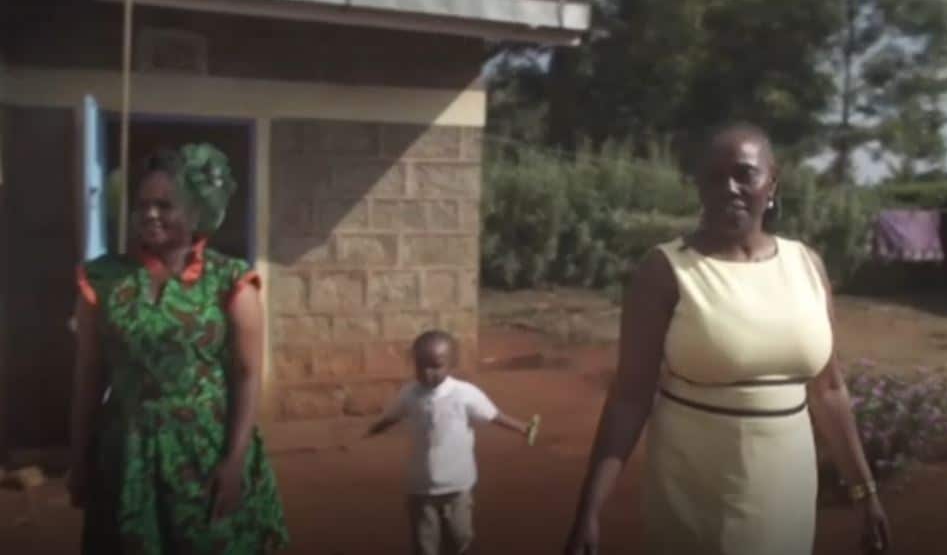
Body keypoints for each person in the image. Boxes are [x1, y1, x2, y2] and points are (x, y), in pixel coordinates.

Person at [564, 123, 891, 555]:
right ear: (699, 187)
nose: (729, 188)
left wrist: (865, 492)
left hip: (787, 490)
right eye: (715, 177)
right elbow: (630, 396)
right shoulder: (665, 270)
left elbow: (828, 389)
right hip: (698, 493)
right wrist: (589, 509)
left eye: (744, 174)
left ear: (772, 184)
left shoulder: (806, 265)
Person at [68, 144, 290, 554]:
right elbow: (89, 375)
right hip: (126, 455)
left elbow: (246, 375)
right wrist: (80, 457)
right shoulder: (103, 280)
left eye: (165, 205)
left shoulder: (230, 281)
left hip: (204, 453)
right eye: (142, 205)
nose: (151, 214)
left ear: (194, 211)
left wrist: (235, 461)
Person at [365, 330, 541, 555]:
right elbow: (392, 416)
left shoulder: (464, 394)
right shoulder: (409, 394)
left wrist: (523, 428)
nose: (428, 373)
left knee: (460, 540)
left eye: (436, 366)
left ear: (452, 364)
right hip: (421, 487)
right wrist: (373, 429)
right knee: (424, 544)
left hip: (457, 486)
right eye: (421, 366)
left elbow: (493, 415)